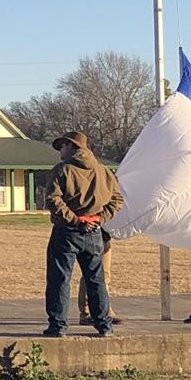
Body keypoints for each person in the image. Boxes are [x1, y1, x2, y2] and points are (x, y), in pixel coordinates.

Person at [42, 131, 123, 337]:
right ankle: (104, 325)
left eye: (62, 146)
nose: (60, 151)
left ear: (71, 146)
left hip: (66, 232)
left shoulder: (63, 170)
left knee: (60, 280)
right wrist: (99, 219)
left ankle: (58, 326)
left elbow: (53, 200)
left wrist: (75, 220)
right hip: (94, 232)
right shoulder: (103, 171)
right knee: (96, 280)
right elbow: (117, 200)